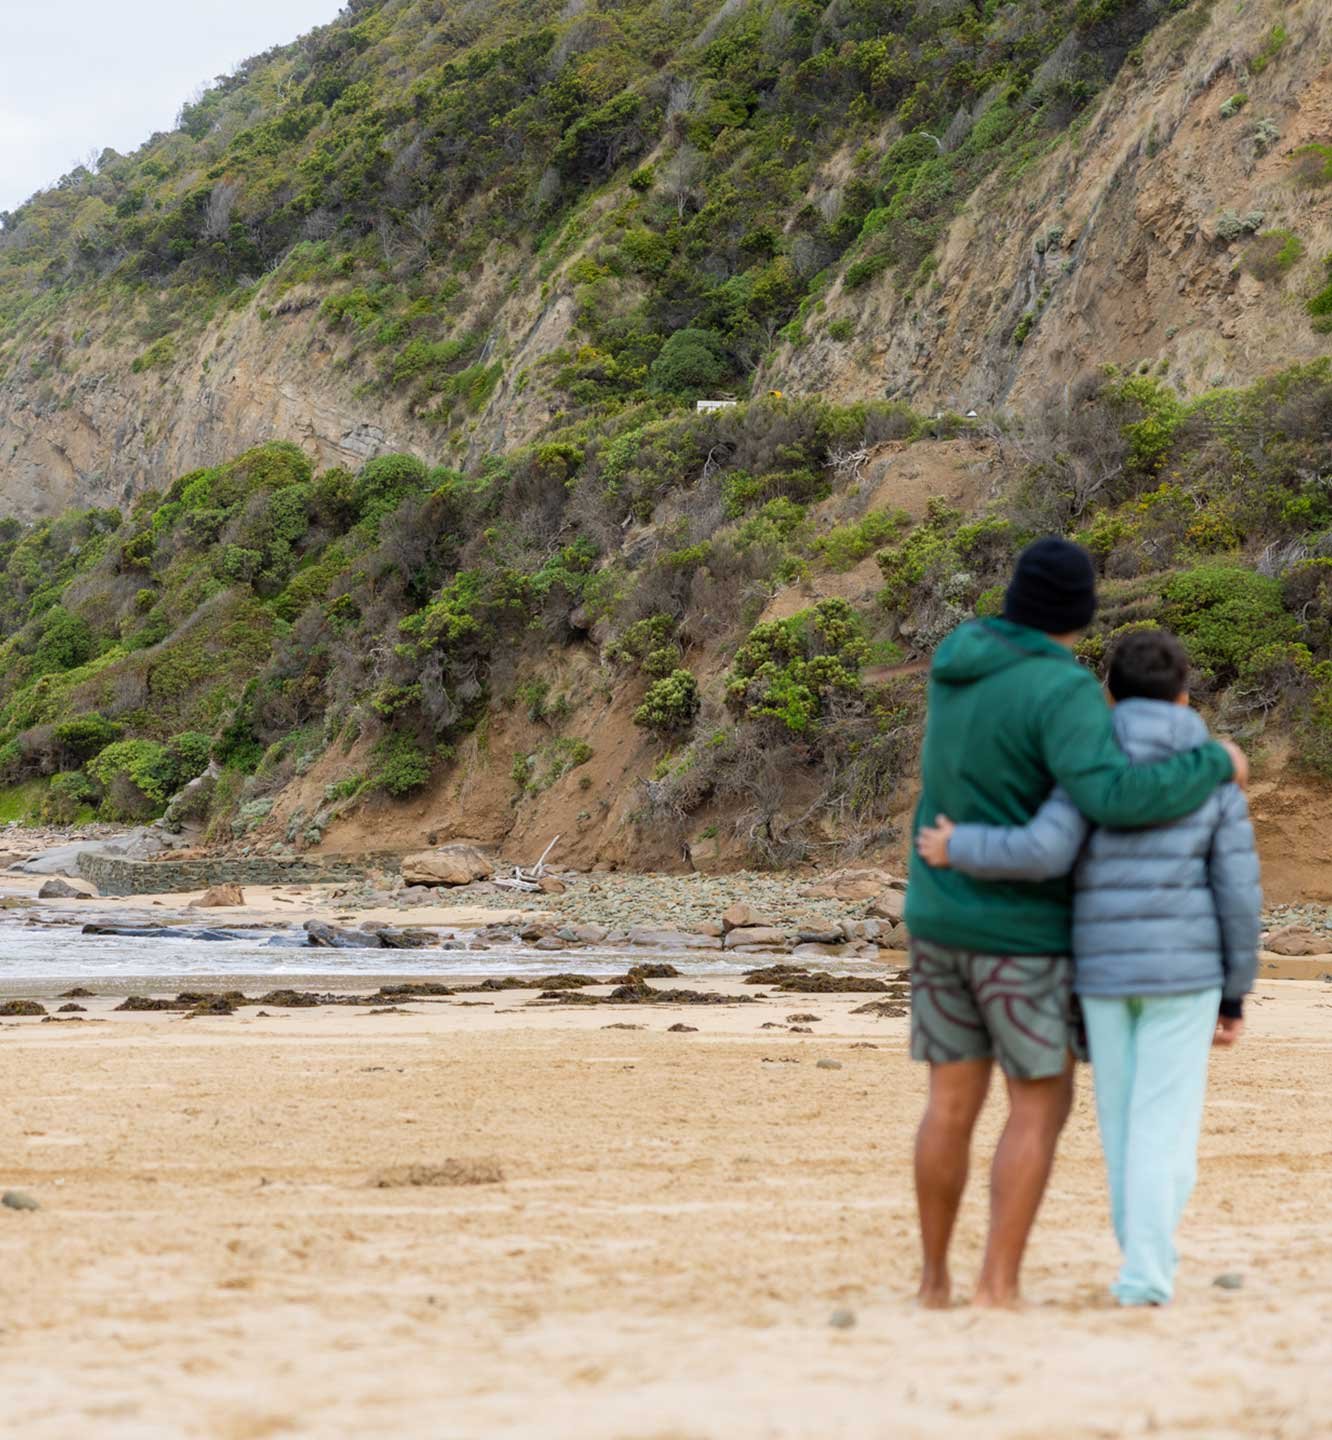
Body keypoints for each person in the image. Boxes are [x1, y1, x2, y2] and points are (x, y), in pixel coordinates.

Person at [904, 537, 1247, 1309]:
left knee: (948, 1104)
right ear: (1079, 612)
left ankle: (932, 1284)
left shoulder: (953, 664)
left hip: (935, 910)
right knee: (1038, 1102)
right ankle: (997, 1285)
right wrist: (1216, 762)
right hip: (1019, 931)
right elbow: (1112, 798)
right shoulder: (1060, 690)